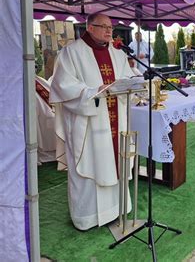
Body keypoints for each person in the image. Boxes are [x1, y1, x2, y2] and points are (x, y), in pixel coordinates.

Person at [50, 13, 135, 230]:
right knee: (90, 165)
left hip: (116, 121)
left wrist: (135, 86)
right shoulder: (72, 53)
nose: (109, 31)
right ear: (89, 27)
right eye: (103, 26)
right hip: (89, 124)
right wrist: (92, 92)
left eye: (110, 27)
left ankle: (117, 208)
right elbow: (62, 86)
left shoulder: (117, 53)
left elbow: (129, 79)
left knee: (116, 160)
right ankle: (87, 218)